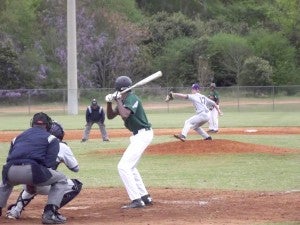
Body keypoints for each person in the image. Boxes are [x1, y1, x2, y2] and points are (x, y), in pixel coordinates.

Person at [0, 112, 69, 224]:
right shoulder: (52, 139)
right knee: (61, 179)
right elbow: (48, 164)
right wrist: (33, 182)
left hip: (10, 170)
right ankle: (49, 214)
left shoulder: (17, 137)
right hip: (32, 171)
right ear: (48, 125)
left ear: (32, 123)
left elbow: (9, 159)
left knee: (5, 182)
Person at [6, 121, 82, 220]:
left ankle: (15, 211)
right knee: (75, 185)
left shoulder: (32, 143)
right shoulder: (62, 146)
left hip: (24, 180)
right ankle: (50, 211)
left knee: (33, 179)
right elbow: (75, 168)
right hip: (44, 183)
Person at [105, 75, 153, 209]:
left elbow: (125, 114)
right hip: (138, 136)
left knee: (123, 167)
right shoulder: (124, 100)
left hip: (143, 134)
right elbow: (110, 116)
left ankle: (137, 200)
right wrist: (109, 102)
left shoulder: (132, 99)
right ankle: (144, 196)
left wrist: (118, 99)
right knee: (130, 167)